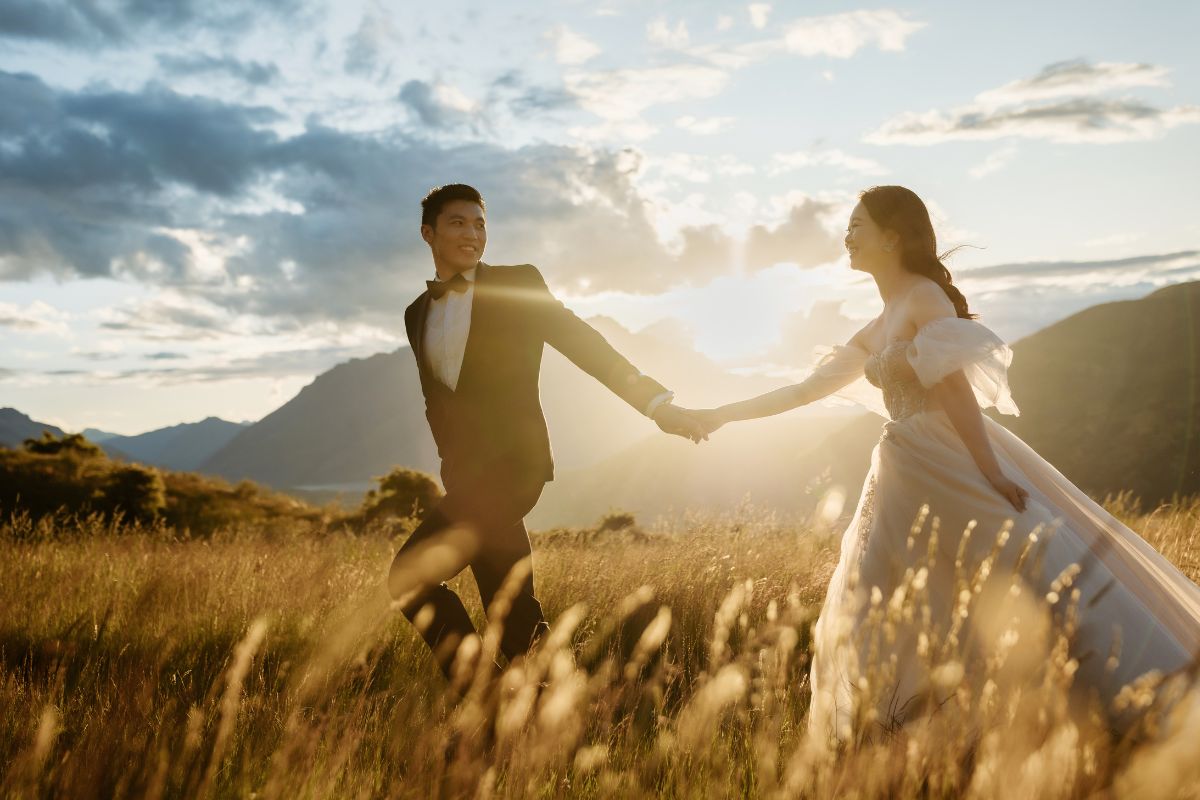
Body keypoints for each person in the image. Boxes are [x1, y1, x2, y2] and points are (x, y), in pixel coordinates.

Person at [687, 185, 1200, 741]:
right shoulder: (880, 320)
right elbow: (803, 391)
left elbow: (955, 392)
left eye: (857, 226)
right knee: (890, 593)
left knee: (1022, 576)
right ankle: (909, 725)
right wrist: (718, 414)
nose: (847, 236)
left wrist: (993, 471)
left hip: (949, 456)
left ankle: (1128, 710)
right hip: (901, 468)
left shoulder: (924, 299)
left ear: (892, 237)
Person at [388, 183, 706, 680]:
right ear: (428, 233)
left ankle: (480, 694)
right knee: (513, 613)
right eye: (457, 223)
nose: (472, 233)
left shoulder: (518, 282)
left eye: (480, 223)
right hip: (468, 479)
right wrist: (454, 470)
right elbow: (438, 404)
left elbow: (582, 342)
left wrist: (653, 403)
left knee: (408, 577)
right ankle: (560, 711)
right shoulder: (417, 313)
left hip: (515, 467)